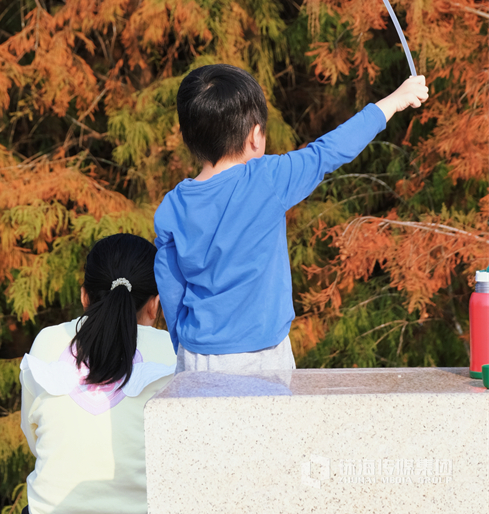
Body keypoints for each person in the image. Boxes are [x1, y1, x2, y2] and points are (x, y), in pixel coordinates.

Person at [154, 64, 429, 373]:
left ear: (189, 137)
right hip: (261, 356)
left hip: (196, 355)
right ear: (256, 136)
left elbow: (171, 287)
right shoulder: (268, 179)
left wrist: (184, 349)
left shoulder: (171, 206)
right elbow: (329, 150)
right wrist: (393, 101)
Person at [16, 233, 176, 514]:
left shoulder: (48, 342)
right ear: (155, 304)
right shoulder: (175, 353)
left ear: (84, 296)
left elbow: (35, 437)